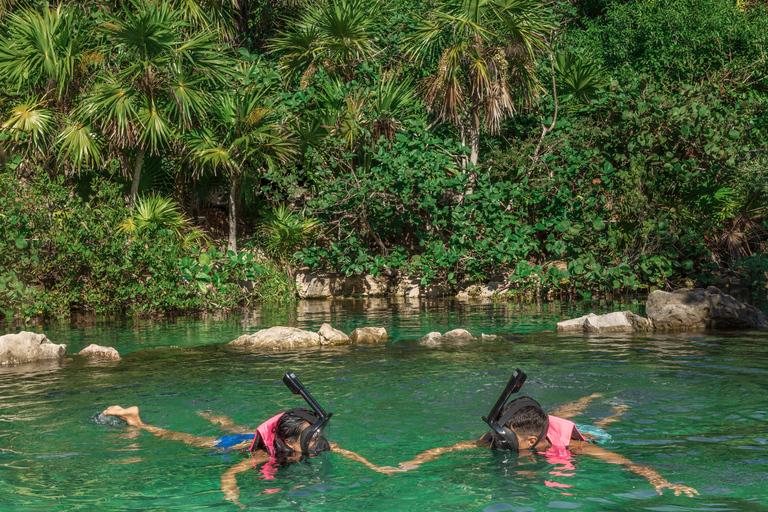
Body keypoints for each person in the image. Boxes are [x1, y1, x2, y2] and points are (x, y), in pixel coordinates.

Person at [103, 372, 391, 508]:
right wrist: (232, 494)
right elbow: (231, 472)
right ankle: (137, 421)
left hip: (256, 435)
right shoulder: (266, 456)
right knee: (195, 441)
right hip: (242, 443)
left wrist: (375, 468)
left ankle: (219, 418)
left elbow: (346, 451)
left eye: (318, 434)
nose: (320, 442)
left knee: (236, 428)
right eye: (311, 437)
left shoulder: (312, 443)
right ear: (290, 443)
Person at [397, 369, 699, 497]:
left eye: (506, 439)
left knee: (600, 426)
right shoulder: (497, 437)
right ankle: (585, 399)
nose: (499, 443)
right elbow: (448, 449)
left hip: (568, 434)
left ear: (530, 442)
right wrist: (412, 463)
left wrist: (662, 480)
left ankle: (616, 408)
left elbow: (626, 462)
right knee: (562, 411)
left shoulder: (573, 448)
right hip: (540, 423)